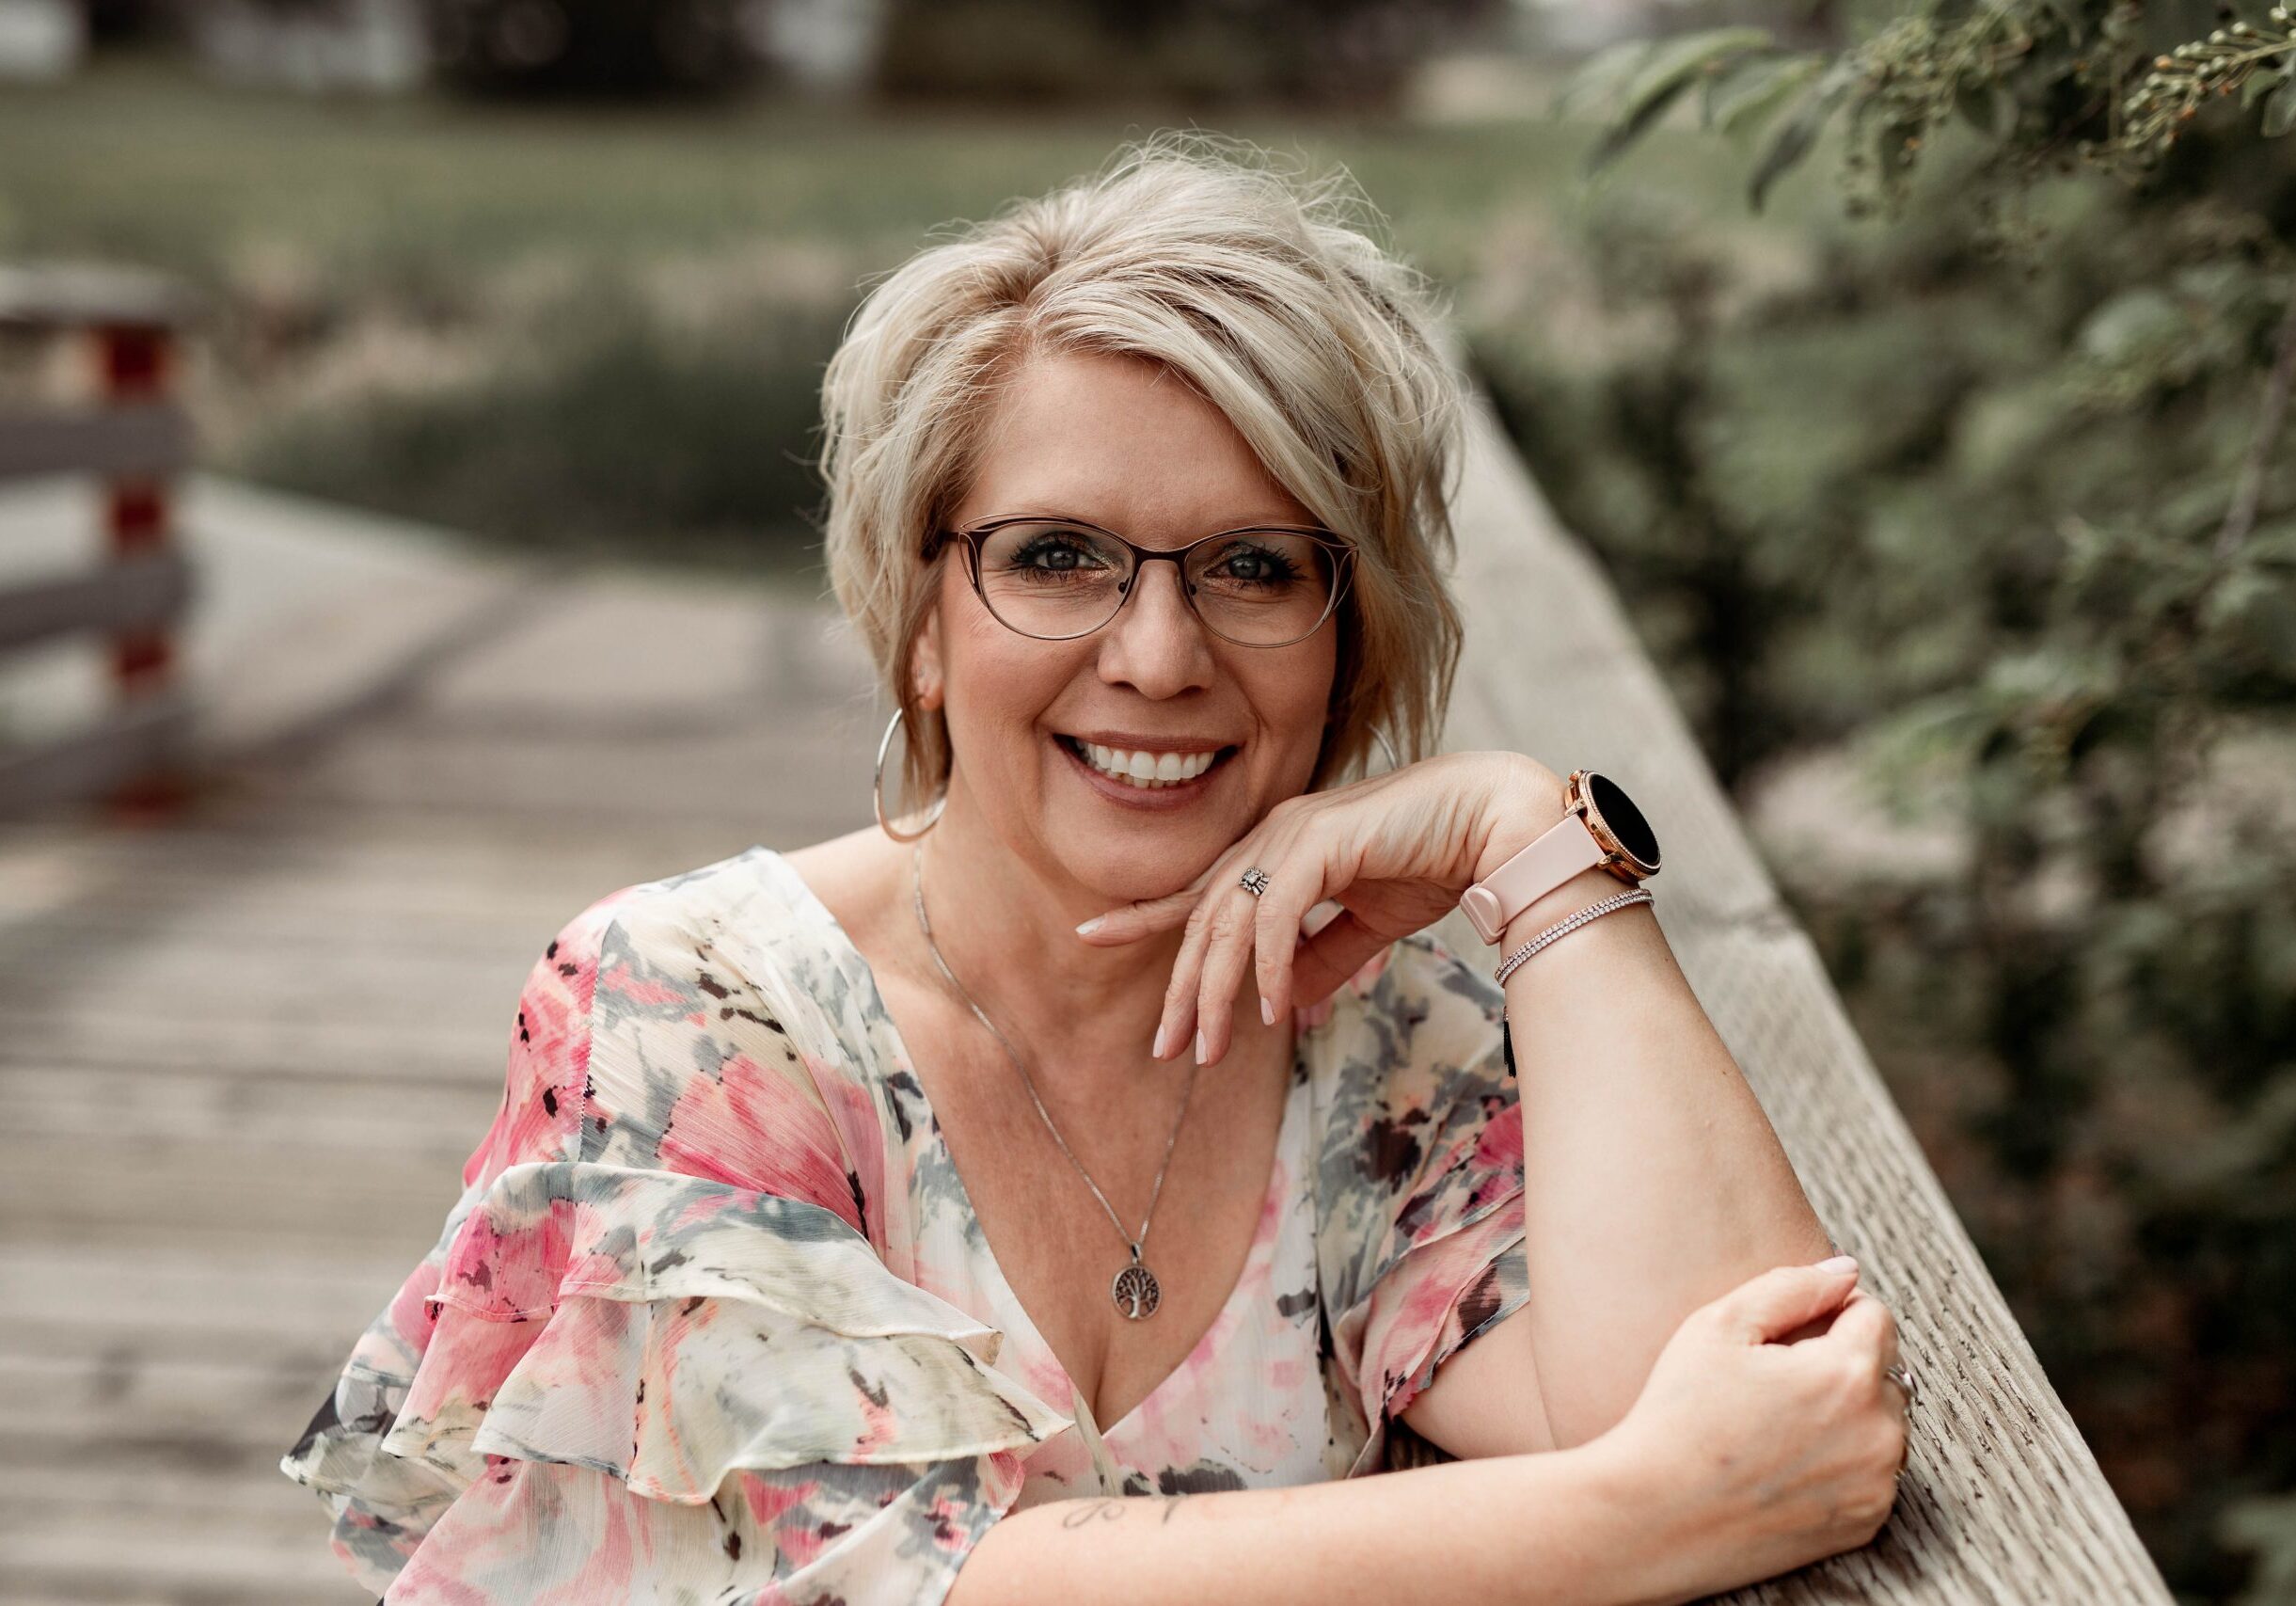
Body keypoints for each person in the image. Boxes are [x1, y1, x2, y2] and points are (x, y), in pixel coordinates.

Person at [281, 133, 1911, 1605]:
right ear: (918, 622)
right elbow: (905, 1581)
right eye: (1054, 556)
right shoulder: (681, 1009)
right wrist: (1626, 1521)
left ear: (1348, 642)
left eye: (1252, 568)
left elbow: (1754, 1394)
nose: (1155, 653)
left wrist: (1530, 844)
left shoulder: (1377, 1034)